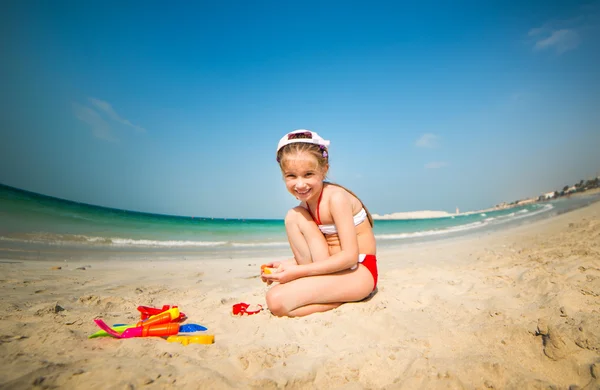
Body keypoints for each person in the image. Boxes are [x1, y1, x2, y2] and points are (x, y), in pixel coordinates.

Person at [261, 129, 378, 317]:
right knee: (293, 216)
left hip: (358, 271)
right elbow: (324, 249)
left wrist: (298, 272)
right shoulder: (305, 205)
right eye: (291, 176)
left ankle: (344, 296)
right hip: (332, 269)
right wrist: (286, 266)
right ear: (283, 175)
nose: (300, 184)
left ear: (324, 170)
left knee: (275, 301)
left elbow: (349, 257)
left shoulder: (336, 198)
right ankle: (330, 291)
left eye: (308, 174)